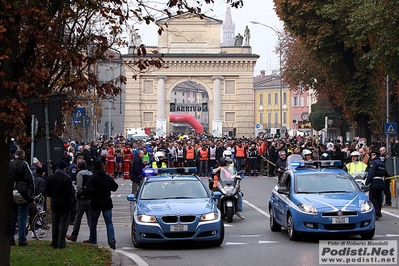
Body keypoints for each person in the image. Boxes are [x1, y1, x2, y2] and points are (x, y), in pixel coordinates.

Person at [89, 161, 119, 250]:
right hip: (106, 201)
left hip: (96, 202)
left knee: (93, 223)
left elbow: (89, 190)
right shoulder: (107, 177)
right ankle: (111, 240)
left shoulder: (92, 178)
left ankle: (93, 241)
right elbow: (115, 187)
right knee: (109, 222)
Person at [45, 160, 74, 249]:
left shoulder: (51, 177)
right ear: (65, 168)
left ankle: (54, 242)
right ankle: (61, 243)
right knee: (63, 224)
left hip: (55, 202)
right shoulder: (67, 178)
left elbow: (47, 191)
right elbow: (69, 193)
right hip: (65, 203)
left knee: (55, 224)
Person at [10, 149, 34, 246]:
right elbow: (30, 179)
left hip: (12, 190)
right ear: (23, 155)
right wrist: (32, 191)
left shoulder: (10, 164)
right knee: (22, 216)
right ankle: (22, 239)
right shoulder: (24, 165)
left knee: (13, 216)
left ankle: (11, 238)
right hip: (23, 192)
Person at [66, 159, 91, 243]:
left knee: (78, 218)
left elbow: (79, 187)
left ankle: (74, 235)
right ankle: (92, 236)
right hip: (90, 198)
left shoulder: (80, 174)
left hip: (82, 198)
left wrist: (77, 196)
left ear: (79, 166)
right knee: (90, 219)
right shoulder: (90, 173)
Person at [365, 150, 385, 220]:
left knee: (373, 198)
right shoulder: (382, 163)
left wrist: (367, 182)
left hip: (375, 182)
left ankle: (377, 212)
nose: (371, 157)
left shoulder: (374, 163)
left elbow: (371, 173)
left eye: (372, 155)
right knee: (379, 198)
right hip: (381, 182)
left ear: (375, 155)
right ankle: (378, 212)